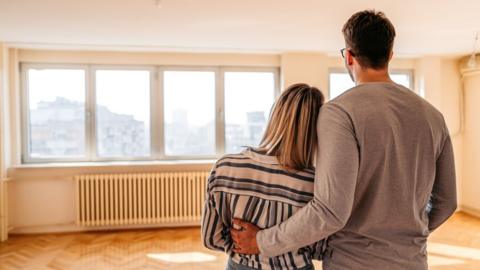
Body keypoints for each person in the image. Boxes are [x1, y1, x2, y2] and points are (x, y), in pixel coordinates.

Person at [231, 10, 457, 270]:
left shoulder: (339, 113)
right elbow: (447, 202)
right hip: (413, 261)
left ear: (349, 56)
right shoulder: (432, 116)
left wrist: (262, 241)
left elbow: (330, 211)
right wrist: (409, 236)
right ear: (390, 55)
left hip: (352, 263)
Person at [201, 83, 326, 270]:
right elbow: (319, 249)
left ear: (274, 116)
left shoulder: (224, 167)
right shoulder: (316, 182)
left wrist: (249, 245)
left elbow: (211, 238)